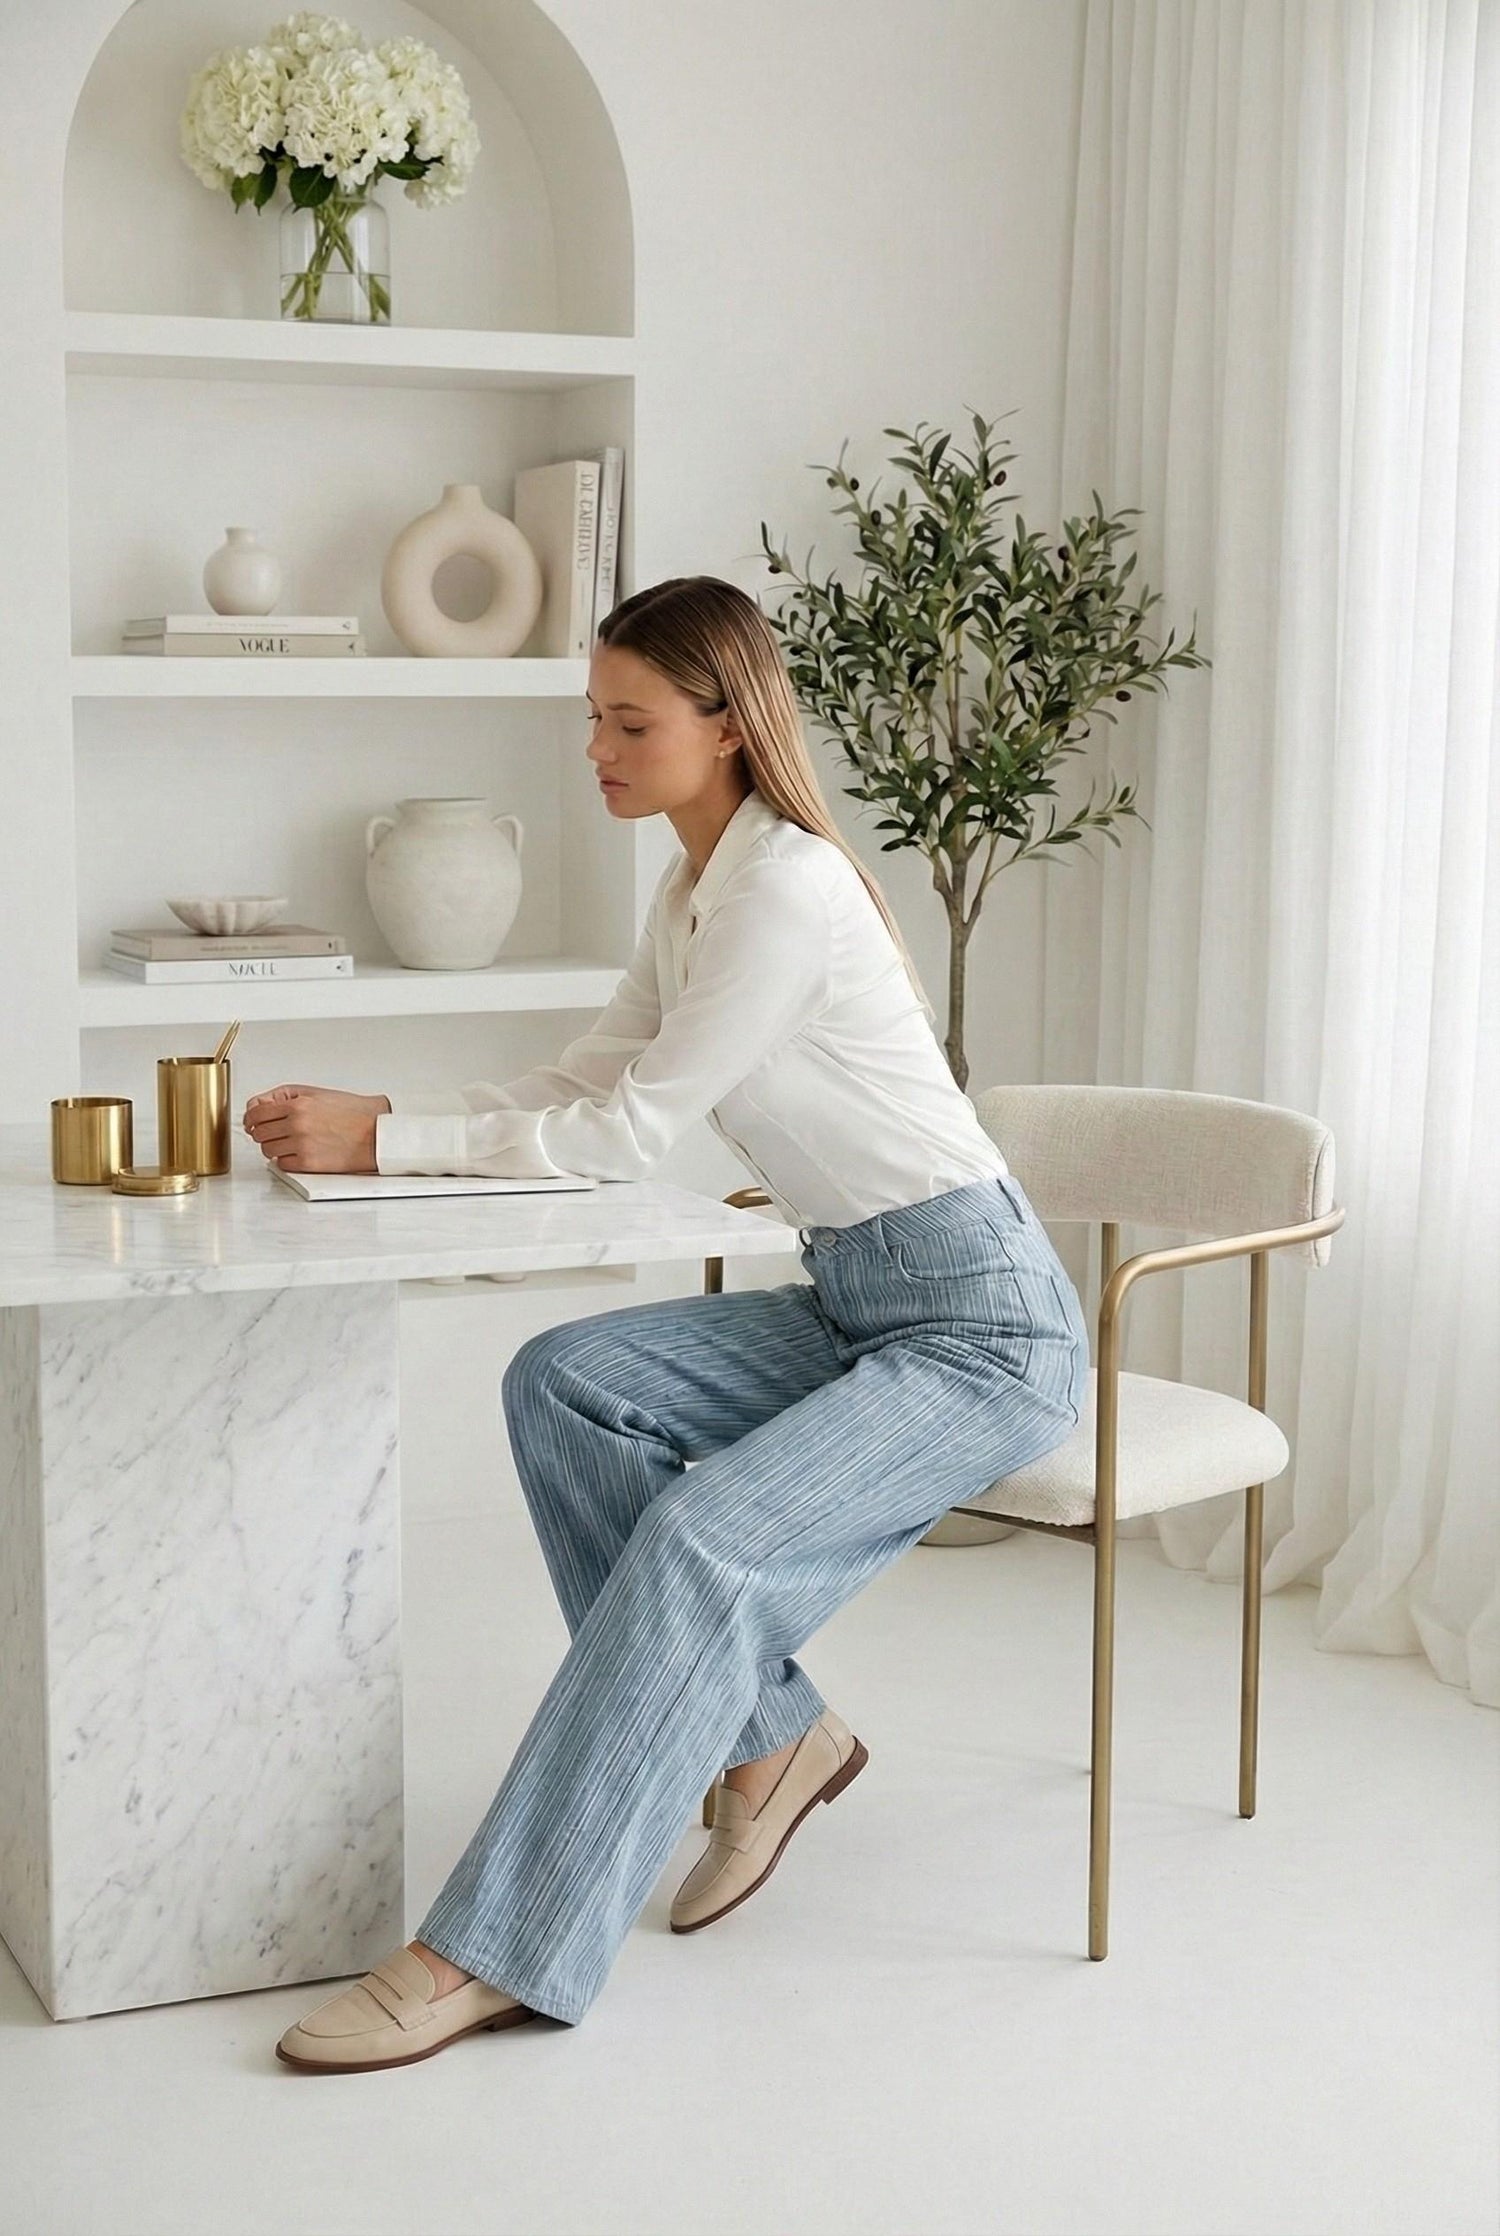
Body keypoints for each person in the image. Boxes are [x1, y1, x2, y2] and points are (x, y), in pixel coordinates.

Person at [243, 575, 1091, 2075]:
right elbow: (585, 1077)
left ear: (728, 726)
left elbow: (628, 1133)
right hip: (856, 1301)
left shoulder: (786, 891)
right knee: (565, 1382)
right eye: (594, 719)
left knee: (708, 1541)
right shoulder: (695, 884)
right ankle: (774, 1737)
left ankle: (488, 1947)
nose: (597, 749)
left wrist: (390, 1143)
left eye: (630, 722)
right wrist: (394, 1116)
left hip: (983, 1328)